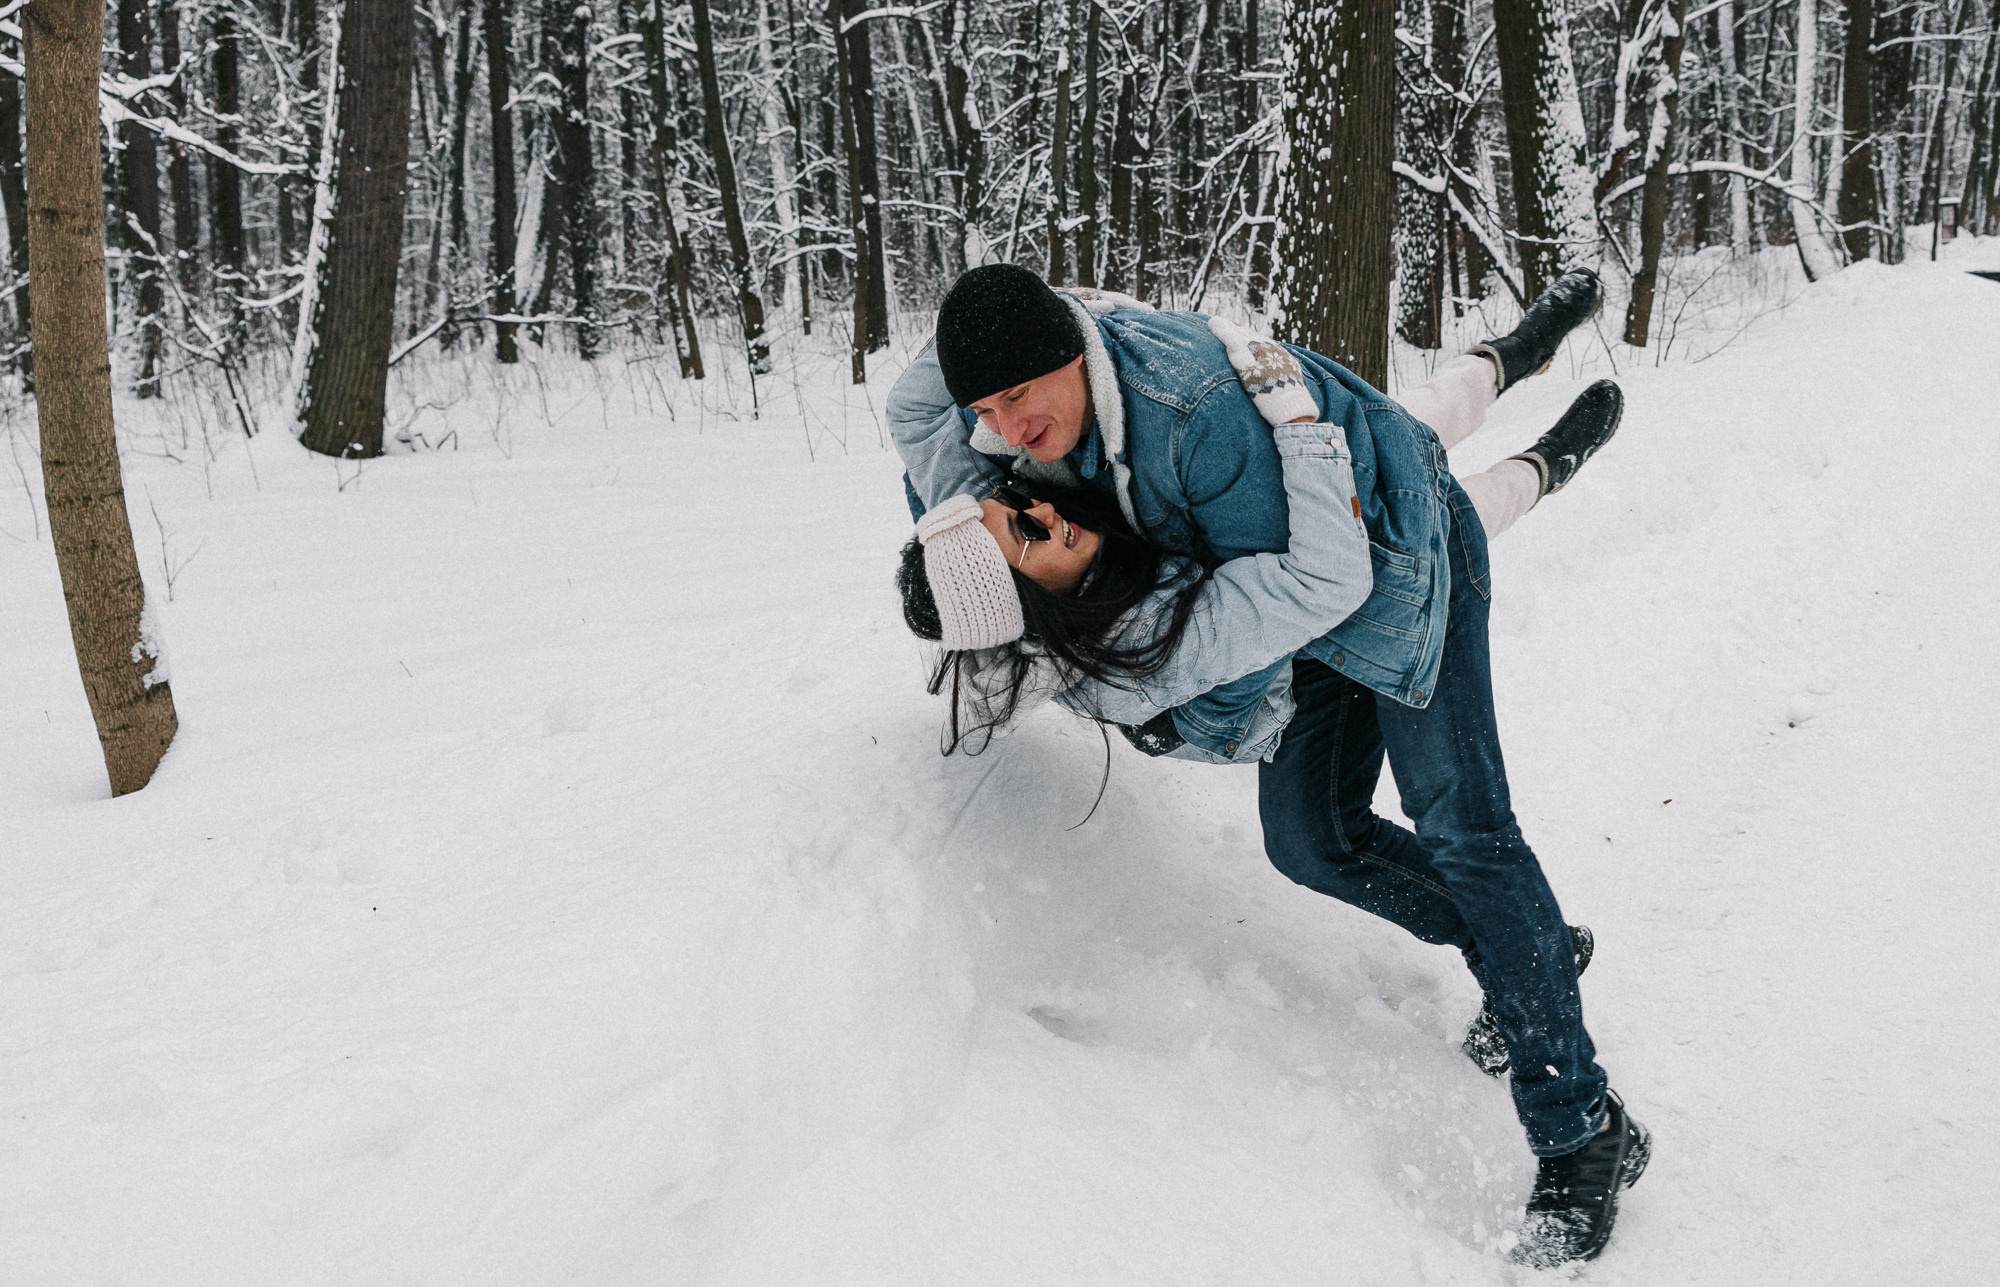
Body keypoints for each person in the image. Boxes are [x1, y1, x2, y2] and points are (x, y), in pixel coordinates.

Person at [888, 264, 1646, 1266]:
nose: (1008, 443)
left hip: (1395, 556)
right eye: (984, 410)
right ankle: (1523, 951)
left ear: (1064, 352)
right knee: (1310, 844)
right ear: (1032, 608)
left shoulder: (1130, 436)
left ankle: (1582, 1130)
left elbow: (913, 405)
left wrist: (1082, 312)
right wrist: (1281, 418)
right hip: (1301, 596)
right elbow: (1300, 588)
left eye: (1015, 396)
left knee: (1464, 830)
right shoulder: (1119, 630)